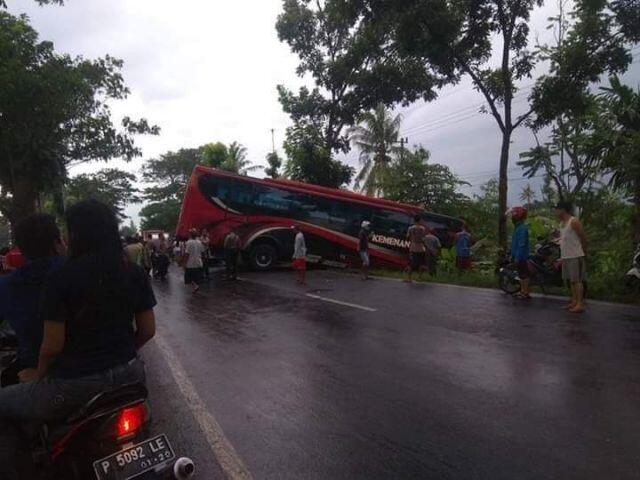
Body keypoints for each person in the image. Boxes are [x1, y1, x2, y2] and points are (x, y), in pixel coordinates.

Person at [0, 200, 156, 480]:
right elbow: (147, 331)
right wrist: (120, 354)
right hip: (131, 375)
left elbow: (52, 345)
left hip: (75, 386)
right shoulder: (132, 272)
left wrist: (38, 374)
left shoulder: (61, 278)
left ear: (75, 235)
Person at [0, 214, 65, 382]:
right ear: (57, 243)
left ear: (20, 249)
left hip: (41, 375)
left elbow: (52, 348)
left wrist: (39, 373)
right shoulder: (79, 272)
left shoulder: (7, 285)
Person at [555, 201, 588, 313]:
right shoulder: (562, 223)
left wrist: (584, 251)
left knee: (577, 280)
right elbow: (565, 238)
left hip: (575, 255)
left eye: (557, 209)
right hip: (566, 256)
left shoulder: (573, 221)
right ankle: (574, 301)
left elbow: (582, 237)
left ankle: (580, 304)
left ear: (563, 210)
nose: (556, 211)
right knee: (571, 281)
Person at [510, 206, 531, 299]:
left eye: (514, 215)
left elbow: (521, 244)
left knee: (523, 274)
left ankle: (525, 292)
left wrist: (517, 257)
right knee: (521, 273)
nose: (512, 217)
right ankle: (523, 291)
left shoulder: (522, 228)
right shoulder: (518, 227)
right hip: (518, 254)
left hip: (521, 255)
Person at [183, 228, 205, 293]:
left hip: (190, 264)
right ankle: (196, 286)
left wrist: (184, 263)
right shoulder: (199, 242)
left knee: (188, 278)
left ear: (190, 235)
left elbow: (187, 254)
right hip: (198, 263)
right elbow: (203, 252)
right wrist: (202, 261)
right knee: (196, 277)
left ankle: (196, 286)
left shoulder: (188, 242)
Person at [405, 215, 426, 283]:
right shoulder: (422, 228)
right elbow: (424, 238)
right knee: (421, 263)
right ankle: (419, 277)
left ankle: (409, 278)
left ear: (414, 220)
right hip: (421, 247)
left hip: (413, 247)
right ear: (419, 220)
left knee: (411, 263)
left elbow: (407, 236)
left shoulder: (410, 228)